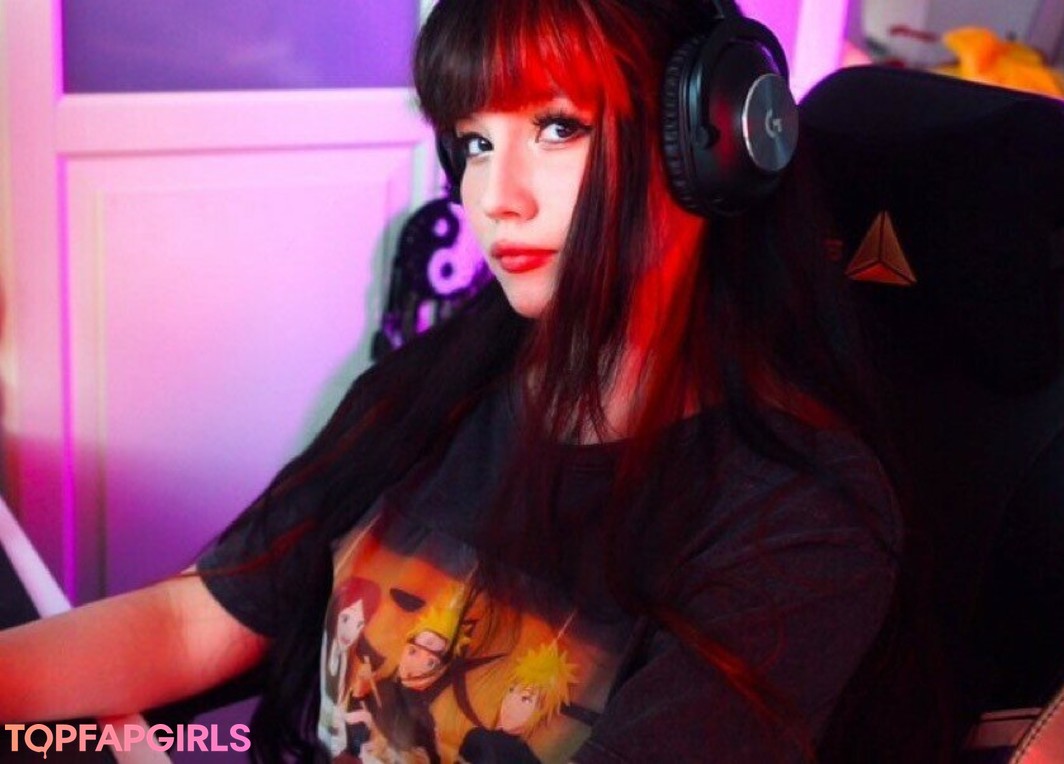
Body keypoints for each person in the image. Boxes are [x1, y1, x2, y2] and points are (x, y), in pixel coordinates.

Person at [0, 0, 916, 761]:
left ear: (713, 139)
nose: (494, 197)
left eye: (557, 127)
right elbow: (196, 618)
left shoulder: (799, 520)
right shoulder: (446, 378)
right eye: (475, 143)